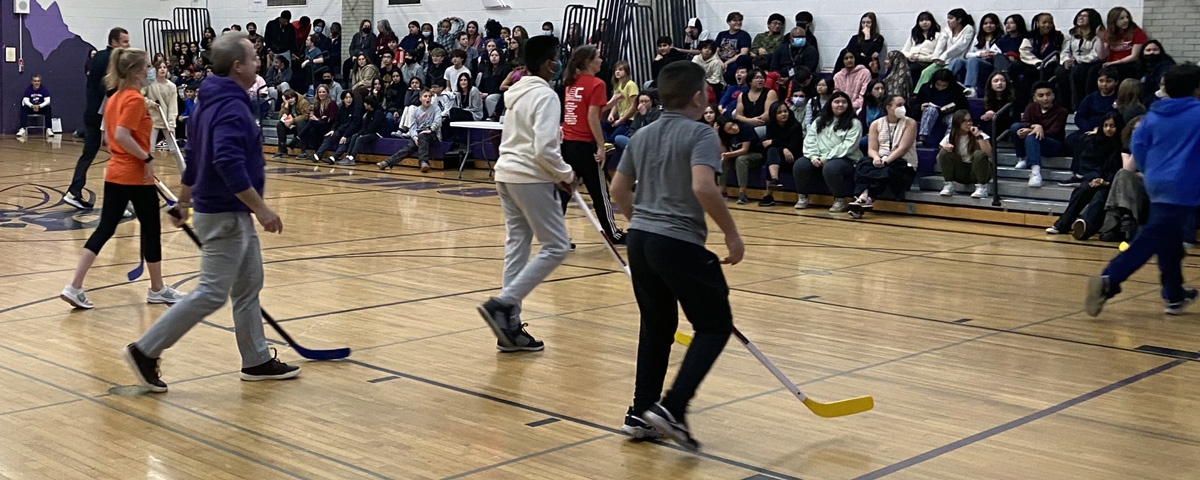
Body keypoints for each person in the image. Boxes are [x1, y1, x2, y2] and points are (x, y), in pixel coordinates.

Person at [124, 33, 298, 393]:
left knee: (249, 284)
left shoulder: (211, 100)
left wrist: (184, 201)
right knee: (212, 292)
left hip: (227, 212)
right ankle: (145, 350)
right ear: (237, 66)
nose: (258, 63)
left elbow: (196, 157)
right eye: (253, 59)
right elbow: (226, 163)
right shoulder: (231, 107)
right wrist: (263, 210)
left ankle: (257, 360)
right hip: (224, 215)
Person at [609, 60, 742, 451]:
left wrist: (643, 223)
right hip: (677, 242)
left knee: (656, 327)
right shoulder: (701, 134)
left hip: (641, 242)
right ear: (700, 95)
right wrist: (732, 236)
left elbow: (618, 189)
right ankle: (672, 409)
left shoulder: (643, 134)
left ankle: (640, 412)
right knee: (714, 325)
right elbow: (704, 187)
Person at [58, 45, 187, 311]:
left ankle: (75, 286)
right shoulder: (132, 100)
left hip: (115, 173)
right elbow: (122, 137)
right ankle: (157, 289)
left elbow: (109, 137)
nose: (152, 70)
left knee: (105, 229)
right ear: (138, 72)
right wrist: (147, 158)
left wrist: (143, 108)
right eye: (149, 67)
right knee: (151, 229)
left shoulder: (116, 98)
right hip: (135, 175)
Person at [475, 35, 576, 353]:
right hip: (529, 177)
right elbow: (545, 147)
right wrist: (566, 175)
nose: (560, 63)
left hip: (506, 174)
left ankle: (510, 328)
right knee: (557, 246)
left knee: (517, 246)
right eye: (558, 58)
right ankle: (504, 304)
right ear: (549, 63)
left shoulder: (516, 93)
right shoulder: (546, 96)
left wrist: (556, 173)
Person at [1086, 64, 1200, 317]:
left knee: (1168, 240)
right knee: (1152, 237)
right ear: (1196, 89)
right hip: (1184, 186)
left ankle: (1175, 296)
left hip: (1156, 183)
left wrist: (1155, 171)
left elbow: (1138, 146)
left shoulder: (1152, 117)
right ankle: (1109, 279)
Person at [560, 45, 624, 243]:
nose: (602, 60)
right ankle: (613, 234)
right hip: (584, 145)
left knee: (563, 191)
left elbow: (591, 109)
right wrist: (600, 145)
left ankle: (555, 237)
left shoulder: (572, 82)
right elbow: (592, 118)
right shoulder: (597, 84)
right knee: (599, 192)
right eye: (598, 57)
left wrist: (613, 102)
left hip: (567, 144)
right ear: (589, 62)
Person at [65, 27, 129, 210]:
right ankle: (118, 204)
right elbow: (109, 90)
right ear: (115, 42)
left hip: (91, 112)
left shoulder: (98, 56)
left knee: (89, 154)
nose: (127, 45)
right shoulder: (113, 60)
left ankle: (74, 191)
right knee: (119, 157)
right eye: (124, 42)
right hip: (104, 115)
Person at [1047, 112, 1124, 238]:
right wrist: (1095, 177)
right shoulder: (1094, 141)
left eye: (1112, 126)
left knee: (1101, 196)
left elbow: (1121, 168)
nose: (1108, 129)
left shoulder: (1122, 145)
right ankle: (1062, 225)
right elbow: (1088, 162)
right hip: (1094, 179)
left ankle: (1085, 228)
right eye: (1105, 126)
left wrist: (1106, 181)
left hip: (1113, 183)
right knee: (1082, 190)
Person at [794, 91, 862, 212]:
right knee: (800, 164)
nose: (840, 105)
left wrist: (826, 158)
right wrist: (813, 157)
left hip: (846, 158)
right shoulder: (819, 121)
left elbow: (848, 146)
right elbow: (810, 140)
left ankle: (840, 200)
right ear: (830, 104)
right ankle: (802, 197)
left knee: (832, 167)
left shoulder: (854, 123)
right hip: (818, 157)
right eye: (837, 102)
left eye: (844, 102)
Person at [853, 94, 920, 210]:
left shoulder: (910, 123)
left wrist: (885, 162)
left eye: (903, 105)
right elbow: (872, 149)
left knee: (888, 169)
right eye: (899, 105)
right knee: (863, 163)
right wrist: (876, 158)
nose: (902, 108)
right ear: (888, 107)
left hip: (902, 162)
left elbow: (902, 149)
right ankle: (864, 195)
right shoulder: (876, 124)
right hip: (881, 159)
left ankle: (866, 196)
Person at [1009, 81, 1068, 187]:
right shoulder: (1031, 107)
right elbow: (1024, 122)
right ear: (1035, 98)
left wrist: (1036, 131)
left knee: (1032, 136)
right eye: (1041, 95)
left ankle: (1035, 172)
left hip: (1053, 144)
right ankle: (1021, 157)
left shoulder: (1061, 111)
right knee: (1016, 127)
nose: (1045, 98)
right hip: (1033, 141)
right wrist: (1034, 126)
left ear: (1053, 96)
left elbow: (1055, 131)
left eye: (1048, 94)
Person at [379, 88, 443, 171]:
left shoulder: (435, 108)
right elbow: (412, 127)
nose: (428, 98)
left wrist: (430, 129)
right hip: (419, 134)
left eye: (430, 96)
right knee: (409, 147)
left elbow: (438, 122)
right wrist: (415, 137)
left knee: (423, 136)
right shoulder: (416, 111)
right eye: (425, 96)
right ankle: (388, 162)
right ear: (420, 99)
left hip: (432, 133)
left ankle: (423, 162)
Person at [937, 110, 994, 198]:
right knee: (944, 152)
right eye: (964, 121)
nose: (968, 123)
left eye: (970, 120)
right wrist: (946, 148)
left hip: (979, 171)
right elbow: (939, 158)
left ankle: (982, 187)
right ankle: (949, 185)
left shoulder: (980, 134)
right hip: (961, 171)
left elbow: (988, 153)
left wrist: (978, 136)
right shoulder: (951, 136)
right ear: (957, 123)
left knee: (979, 154)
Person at [759, 101, 804, 206]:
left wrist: (779, 145)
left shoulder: (795, 125)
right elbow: (767, 145)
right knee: (771, 153)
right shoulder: (770, 124)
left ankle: (769, 194)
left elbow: (795, 147)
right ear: (774, 115)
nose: (784, 114)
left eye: (785, 111)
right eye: (779, 112)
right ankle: (774, 181)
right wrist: (783, 148)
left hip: (793, 157)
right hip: (778, 158)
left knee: (772, 154)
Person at [142, 60, 178, 151]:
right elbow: (139, 97)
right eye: (160, 68)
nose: (162, 69)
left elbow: (173, 107)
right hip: (152, 119)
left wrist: (171, 124)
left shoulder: (172, 86)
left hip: (166, 120)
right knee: (149, 150)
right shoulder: (149, 84)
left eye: (164, 67)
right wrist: (151, 103)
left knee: (174, 150)